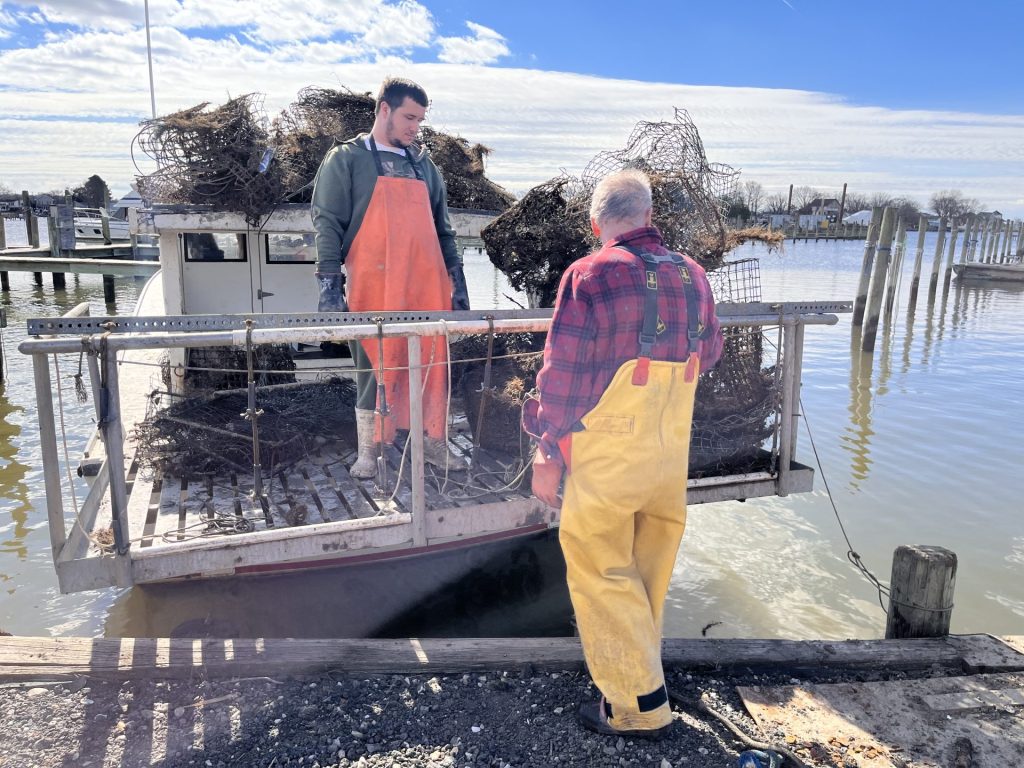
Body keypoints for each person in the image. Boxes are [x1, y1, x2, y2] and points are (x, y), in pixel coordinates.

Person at [526, 169, 723, 738]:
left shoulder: (589, 273)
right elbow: (708, 352)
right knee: (648, 569)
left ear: (597, 223)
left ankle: (638, 708)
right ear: (648, 216)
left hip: (610, 451)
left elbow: (559, 375)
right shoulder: (694, 275)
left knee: (600, 569)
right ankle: (645, 673)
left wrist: (547, 449)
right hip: (668, 452)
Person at [311, 77, 469, 478]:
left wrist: (458, 282)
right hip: (375, 285)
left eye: (420, 120)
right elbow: (327, 223)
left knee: (434, 367)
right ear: (384, 109)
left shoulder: (424, 165)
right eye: (409, 117)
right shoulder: (346, 159)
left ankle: (433, 442)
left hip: (429, 286)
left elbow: (443, 228)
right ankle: (371, 449)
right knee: (377, 367)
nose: (416, 127)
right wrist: (330, 286)